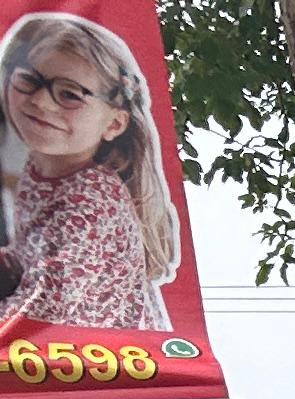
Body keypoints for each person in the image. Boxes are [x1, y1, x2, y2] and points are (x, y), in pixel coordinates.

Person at [0, 11, 177, 331]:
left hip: (104, 367)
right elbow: (32, 254)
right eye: (29, 80)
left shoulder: (91, 197)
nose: (41, 101)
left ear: (114, 123)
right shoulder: (40, 171)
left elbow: (48, 304)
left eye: (69, 94)